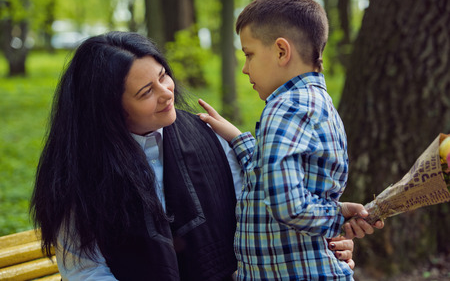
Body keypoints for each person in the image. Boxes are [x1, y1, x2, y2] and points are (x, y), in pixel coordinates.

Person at [30, 31, 356, 281]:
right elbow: (86, 271)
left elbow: (262, 216)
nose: (166, 93)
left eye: (162, 77)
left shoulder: (210, 136)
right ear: (109, 112)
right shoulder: (79, 174)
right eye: (146, 92)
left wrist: (321, 244)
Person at [198, 0, 383, 281]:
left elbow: (287, 204)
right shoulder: (317, 104)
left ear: (282, 51)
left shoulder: (285, 108)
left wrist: (337, 218)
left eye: (249, 54)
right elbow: (270, 175)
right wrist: (237, 137)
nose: (245, 69)